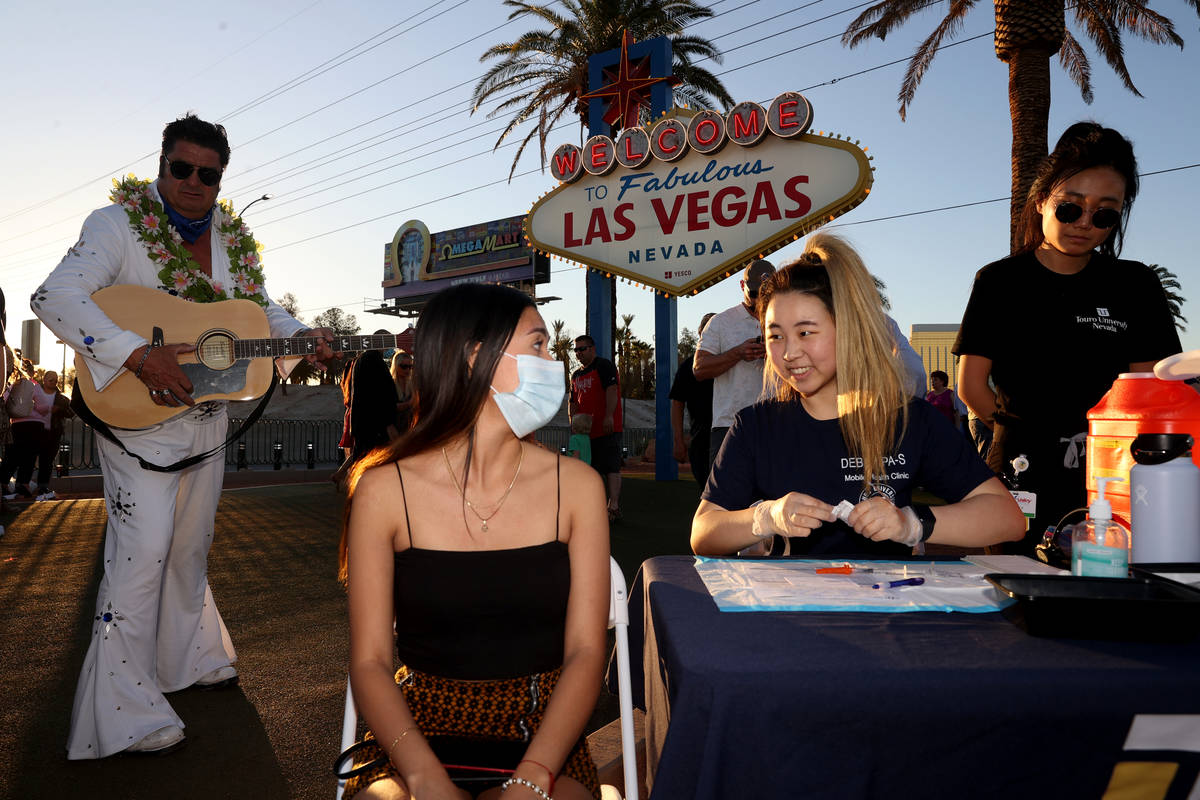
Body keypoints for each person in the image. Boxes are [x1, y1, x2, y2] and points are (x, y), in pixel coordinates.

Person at [31, 113, 334, 758]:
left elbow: (255, 311)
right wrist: (139, 354)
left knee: (191, 548)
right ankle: (124, 713)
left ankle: (185, 661)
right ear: (161, 163)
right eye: (182, 167)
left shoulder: (232, 239)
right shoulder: (116, 224)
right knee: (142, 552)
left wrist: (302, 337)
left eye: (209, 173)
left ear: (221, 178)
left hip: (207, 418)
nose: (194, 181)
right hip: (138, 421)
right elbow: (55, 296)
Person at [339, 282, 608, 800]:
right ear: (476, 357)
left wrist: (531, 779)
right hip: (413, 732)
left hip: (545, 732)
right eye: (538, 345)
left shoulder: (578, 488)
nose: (554, 362)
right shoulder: (382, 489)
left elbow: (585, 652)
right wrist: (422, 777)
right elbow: (370, 660)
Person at [691, 233, 1025, 558]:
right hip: (788, 612)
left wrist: (911, 524)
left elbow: (1008, 519)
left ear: (848, 330)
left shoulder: (909, 421)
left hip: (888, 610)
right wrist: (766, 517)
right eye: (775, 336)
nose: (789, 352)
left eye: (805, 332)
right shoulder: (755, 426)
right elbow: (703, 532)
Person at [954, 122, 1181, 554]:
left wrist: (1101, 448)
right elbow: (971, 386)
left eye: (1105, 214)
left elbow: (1145, 392)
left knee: (1110, 602)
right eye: (1070, 208)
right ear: (1041, 200)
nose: (1085, 224)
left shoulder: (1135, 285)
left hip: (1111, 477)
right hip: (1021, 477)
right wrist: (1024, 438)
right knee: (1018, 602)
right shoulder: (1000, 281)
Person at [694, 260, 775, 471]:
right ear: (742, 286)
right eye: (754, 292)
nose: (759, 299)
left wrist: (775, 355)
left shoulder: (786, 320)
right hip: (729, 425)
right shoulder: (721, 322)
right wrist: (738, 353)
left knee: (777, 500)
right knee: (723, 500)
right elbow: (699, 368)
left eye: (766, 294)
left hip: (777, 423)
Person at [570, 334, 623, 522]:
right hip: (586, 433)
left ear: (592, 349)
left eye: (582, 349)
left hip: (607, 428)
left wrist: (609, 416)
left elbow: (611, 390)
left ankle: (613, 506)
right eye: (576, 350)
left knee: (611, 467)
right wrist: (573, 423)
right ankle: (593, 507)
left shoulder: (604, 366)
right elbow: (573, 402)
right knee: (589, 471)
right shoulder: (576, 375)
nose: (578, 353)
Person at [670, 312, 716, 487]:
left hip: (731, 431)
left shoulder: (735, 359)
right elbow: (677, 402)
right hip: (701, 437)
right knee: (707, 489)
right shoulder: (688, 367)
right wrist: (679, 441)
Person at [1, 359, 48, 501]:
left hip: (16, 425)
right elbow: (43, 406)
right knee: (30, 456)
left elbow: (6, 402)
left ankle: (3, 483)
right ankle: (23, 484)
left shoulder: (11, 386)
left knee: (12, 455)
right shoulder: (34, 385)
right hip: (34, 425)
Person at [32, 370, 74, 501]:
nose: (54, 382)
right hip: (35, 431)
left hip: (53, 432)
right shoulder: (35, 393)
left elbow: (71, 413)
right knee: (30, 458)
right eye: (51, 380)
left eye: (56, 380)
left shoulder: (61, 398)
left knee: (47, 460)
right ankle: (24, 484)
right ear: (44, 380)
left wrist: (60, 409)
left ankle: (43, 486)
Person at [390, 349, 415, 434]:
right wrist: (409, 403)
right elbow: (389, 408)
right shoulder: (390, 384)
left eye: (410, 366)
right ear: (396, 366)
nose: (407, 370)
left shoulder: (413, 383)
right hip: (395, 430)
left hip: (411, 428)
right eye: (404, 366)